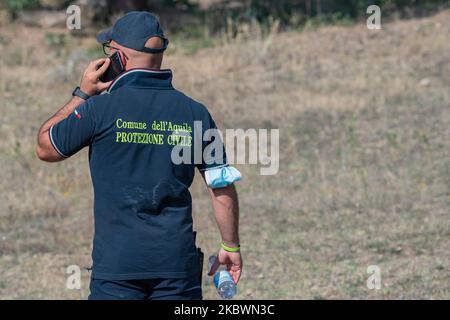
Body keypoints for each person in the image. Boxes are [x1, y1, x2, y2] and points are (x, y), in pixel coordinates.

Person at [36, 11, 242, 300]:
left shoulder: (98, 110)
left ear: (118, 58)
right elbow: (220, 185)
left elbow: (45, 147)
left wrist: (81, 95)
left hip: (117, 268)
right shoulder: (195, 113)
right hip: (177, 266)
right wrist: (230, 247)